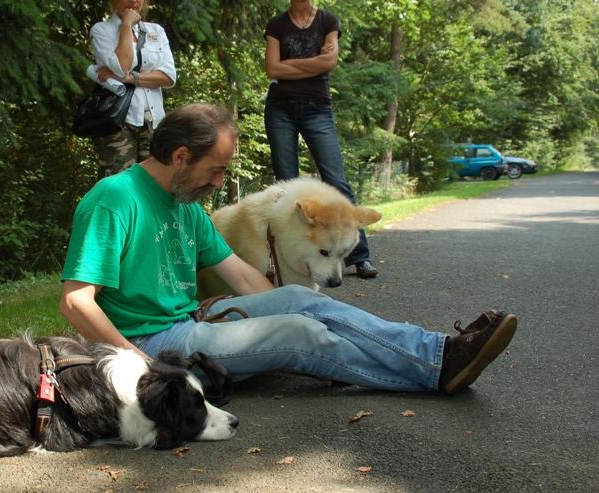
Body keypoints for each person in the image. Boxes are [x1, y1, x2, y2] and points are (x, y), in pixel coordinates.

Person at [59, 103, 518, 395]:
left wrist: (279, 306)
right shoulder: (115, 198)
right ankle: (437, 373)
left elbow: (241, 276)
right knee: (300, 336)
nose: (220, 183)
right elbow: (76, 301)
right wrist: (137, 362)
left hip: (192, 321)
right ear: (181, 157)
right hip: (151, 343)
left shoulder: (188, 209)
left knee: (303, 301)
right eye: (215, 171)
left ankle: (437, 351)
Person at [264, 0, 377, 279]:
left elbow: (330, 62)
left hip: (317, 107)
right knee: (285, 185)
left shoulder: (328, 21)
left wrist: (290, 63)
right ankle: (284, 257)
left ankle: (360, 257)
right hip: (280, 108)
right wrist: (313, 64)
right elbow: (272, 70)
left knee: (336, 181)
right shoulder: (276, 24)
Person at [88, 0, 177, 177]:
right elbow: (123, 65)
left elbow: (168, 77)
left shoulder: (156, 31)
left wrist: (129, 78)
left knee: (154, 183)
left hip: (154, 122)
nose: (134, 1)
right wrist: (126, 25)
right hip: (117, 120)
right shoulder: (101, 30)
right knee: (118, 185)